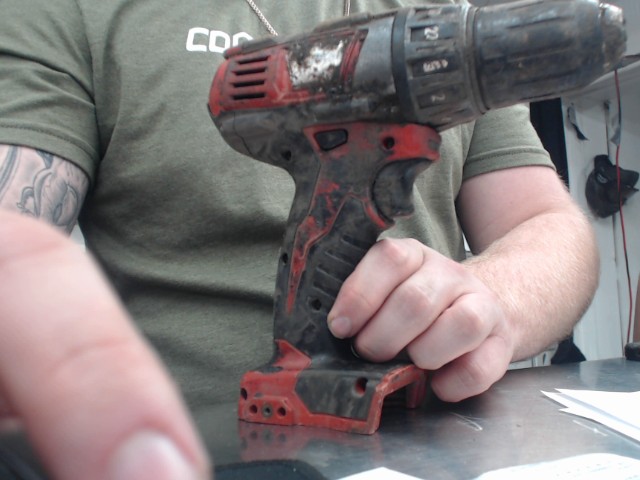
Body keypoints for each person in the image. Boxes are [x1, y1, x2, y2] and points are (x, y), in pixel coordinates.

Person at [0, 0, 599, 479]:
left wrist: (486, 298)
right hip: (199, 455)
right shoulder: (70, 9)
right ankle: (298, 366)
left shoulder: (450, 20)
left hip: (446, 447)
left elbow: (548, 223)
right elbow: (15, 239)